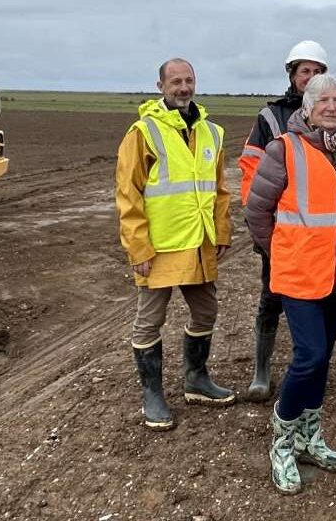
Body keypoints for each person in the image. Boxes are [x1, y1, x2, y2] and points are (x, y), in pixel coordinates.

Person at [244, 74, 336, 494]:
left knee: (323, 357)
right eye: (323, 99)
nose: (332, 106)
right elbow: (256, 212)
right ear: (306, 106)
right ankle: (282, 438)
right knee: (309, 355)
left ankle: (309, 436)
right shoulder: (284, 149)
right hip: (299, 274)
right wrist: (280, 251)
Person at [116, 58, 235, 431]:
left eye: (189, 80)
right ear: (161, 85)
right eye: (175, 81)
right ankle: (152, 394)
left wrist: (222, 231)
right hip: (160, 248)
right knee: (149, 322)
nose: (183, 87)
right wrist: (138, 249)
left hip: (199, 242)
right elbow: (128, 194)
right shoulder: (144, 132)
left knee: (206, 313)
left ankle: (196, 379)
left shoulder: (212, 132)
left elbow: (219, 190)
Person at [238, 40, 329, 402]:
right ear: (292, 74)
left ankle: (309, 365)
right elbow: (250, 171)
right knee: (272, 295)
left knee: (317, 298)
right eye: (304, 70)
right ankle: (262, 371)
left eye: (317, 71)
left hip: (320, 230)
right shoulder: (271, 117)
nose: (311, 77)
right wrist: (263, 231)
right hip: (281, 229)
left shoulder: (334, 113)